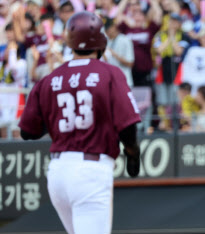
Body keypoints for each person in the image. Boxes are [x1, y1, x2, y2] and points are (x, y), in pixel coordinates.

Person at [18, 11, 141, 234]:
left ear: (70, 41)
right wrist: (133, 155)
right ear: (101, 42)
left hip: (57, 172)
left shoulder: (50, 78)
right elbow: (128, 124)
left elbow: (27, 131)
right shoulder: (109, 73)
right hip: (90, 170)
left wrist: (55, 121)